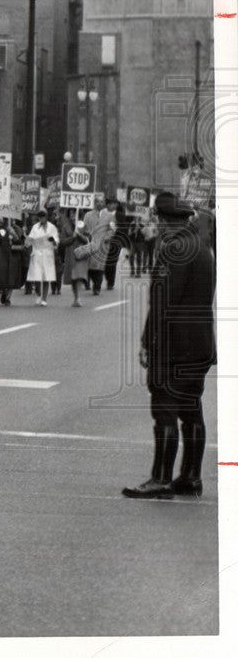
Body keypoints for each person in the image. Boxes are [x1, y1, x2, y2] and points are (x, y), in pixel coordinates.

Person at [123, 192, 216, 499]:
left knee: (164, 409)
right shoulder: (203, 248)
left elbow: (164, 303)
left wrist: (148, 342)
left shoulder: (173, 249)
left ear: (165, 222)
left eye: (158, 221)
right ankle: (191, 477)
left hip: (174, 346)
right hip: (199, 344)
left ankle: (160, 478)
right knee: (191, 410)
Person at [25, 209, 60, 306]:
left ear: (46, 217)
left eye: (43, 216)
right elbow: (30, 239)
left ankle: (44, 298)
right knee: (36, 276)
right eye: (40, 217)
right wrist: (28, 240)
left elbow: (56, 241)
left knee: (46, 276)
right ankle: (38, 294)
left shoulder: (52, 227)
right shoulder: (35, 227)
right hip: (37, 253)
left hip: (47, 253)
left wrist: (52, 240)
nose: (42, 219)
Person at [82, 193, 112, 295]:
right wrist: (85, 232)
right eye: (97, 202)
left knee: (99, 266)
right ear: (94, 203)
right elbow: (83, 228)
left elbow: (112, 229)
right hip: (90, 243)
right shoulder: (88, 215)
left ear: (104, 203)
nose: (99, 204)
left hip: (102, 245)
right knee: (90, 266)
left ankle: (97, 286)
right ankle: (91, 281)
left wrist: (107, 237)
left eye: (101, 202)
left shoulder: (109, 216)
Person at [62, 219, 92, 307]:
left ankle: (78, 298)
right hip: (70, 254)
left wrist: (79, 234)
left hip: (81, 254)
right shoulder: (66, 227)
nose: (72, 216)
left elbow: (88, 239)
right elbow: (63, 241)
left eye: (74, 213)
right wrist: (72, 237)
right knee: (73, 277)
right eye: (70, 213)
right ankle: (75, 297)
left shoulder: (84, 226)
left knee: (79, 276)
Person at [104, 199, 130, 290]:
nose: (113, 205)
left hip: (116, 241)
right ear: (107, 205)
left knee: (112, 261)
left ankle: (110, 282)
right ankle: (106, 277)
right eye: (111, 204)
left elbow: (124, 229)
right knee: (105, 261)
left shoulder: (120, 215)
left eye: (115, 204)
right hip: (103, 241)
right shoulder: (103, 213)